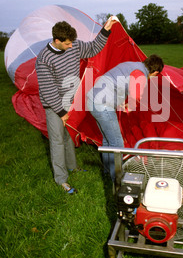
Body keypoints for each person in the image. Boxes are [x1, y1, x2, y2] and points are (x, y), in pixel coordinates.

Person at [35, 17, 116, 193]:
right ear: (57, 41)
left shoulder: (74, 45)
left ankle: (73, 167)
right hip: (54, 105)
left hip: (71, 101)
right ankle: (61, 180)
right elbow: (49, 91)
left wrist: (106, 30)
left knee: (68, 136)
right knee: (57, 141)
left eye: (72, 43)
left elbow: (93, 48)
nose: (72, 46)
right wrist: (62, 113)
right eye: (67, 44)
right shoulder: (44, 59)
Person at [86, 54, 164, 182]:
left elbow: (117, 83)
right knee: (117, 144)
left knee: (107, 141)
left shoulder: (130, 65)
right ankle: (117, 179)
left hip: (93, 101)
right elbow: (136, 94)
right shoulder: (141, 75)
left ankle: (107, 172)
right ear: (155, 72)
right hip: (103, 105)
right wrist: (131, 106)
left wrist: (120, 102)